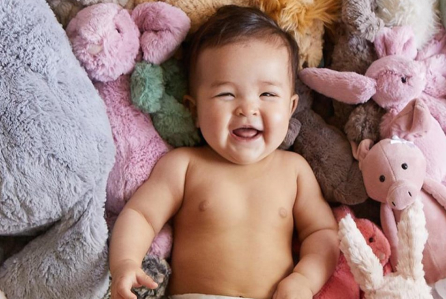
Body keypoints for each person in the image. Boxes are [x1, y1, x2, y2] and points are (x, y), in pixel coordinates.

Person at [109, 5, 339, 299]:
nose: (247, 108)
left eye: (267, 94)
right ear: (194, 110)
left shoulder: (294, 170)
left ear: (291, 107)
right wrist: (125, 262)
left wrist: (304, 280)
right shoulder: (184, 165)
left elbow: (322, 234)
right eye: (226, 94)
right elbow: (141, 215)